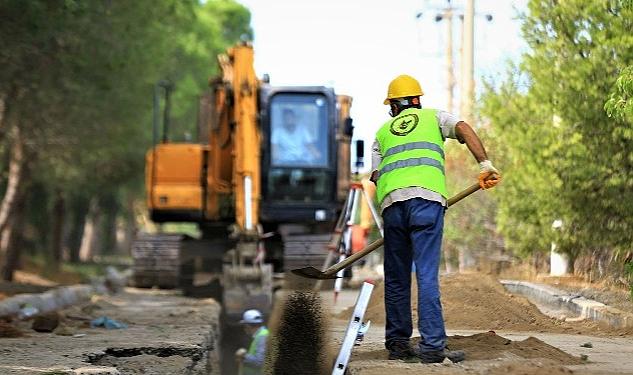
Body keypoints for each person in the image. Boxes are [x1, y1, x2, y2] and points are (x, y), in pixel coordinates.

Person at [370, 74, 500, 363]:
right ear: (417, 100)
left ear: (394, 106)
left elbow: (377, 177)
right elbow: (464, 128)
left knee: (396, 278)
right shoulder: (433, 117)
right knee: (426, 274)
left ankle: (399, 345)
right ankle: (431, 348)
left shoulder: (381, 134)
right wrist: (485, 164)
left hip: (392, 205)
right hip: (426, 202)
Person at [235, 309, 269, 374]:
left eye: (244, 326)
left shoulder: (262, 337)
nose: (244, 328)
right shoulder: (260, 335)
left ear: (247, 326)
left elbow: (260, 362)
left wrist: (244, 356)